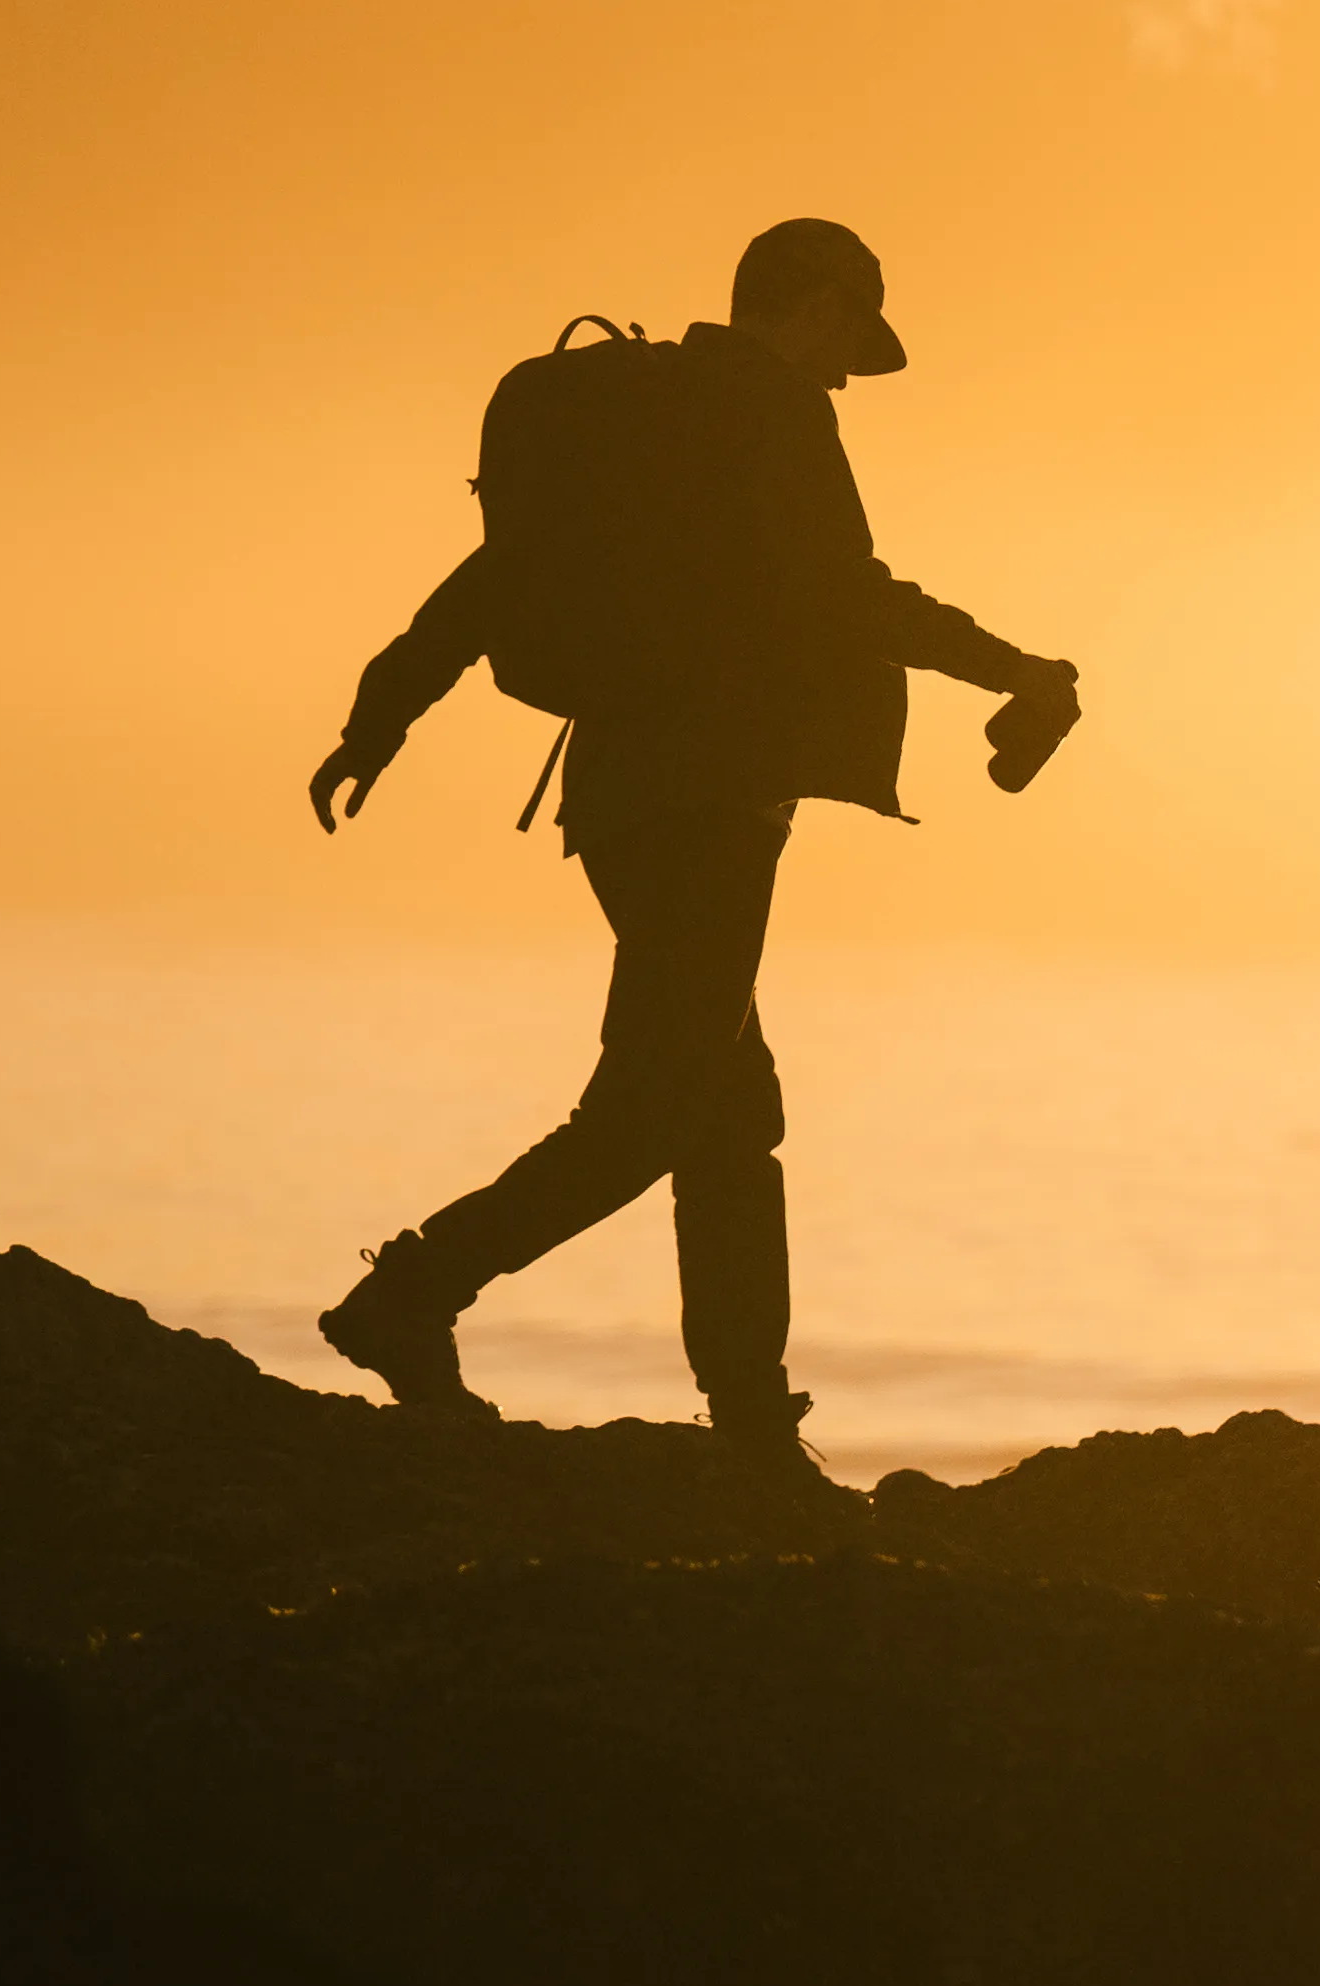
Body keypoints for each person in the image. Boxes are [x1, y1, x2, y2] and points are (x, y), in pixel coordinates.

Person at [304, 216, 1078, 1477]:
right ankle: (412, 1295)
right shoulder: (768, 416)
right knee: (654, 1106)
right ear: (810, 304)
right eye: (845, 339)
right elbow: (847, 592)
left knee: (725, 1109)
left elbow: (496, 576)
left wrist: (380, 713)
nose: (844, 375)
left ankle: (753, 1429)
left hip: (626, 794)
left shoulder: (648, 416)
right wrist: (1020, 670)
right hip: (711, 803)